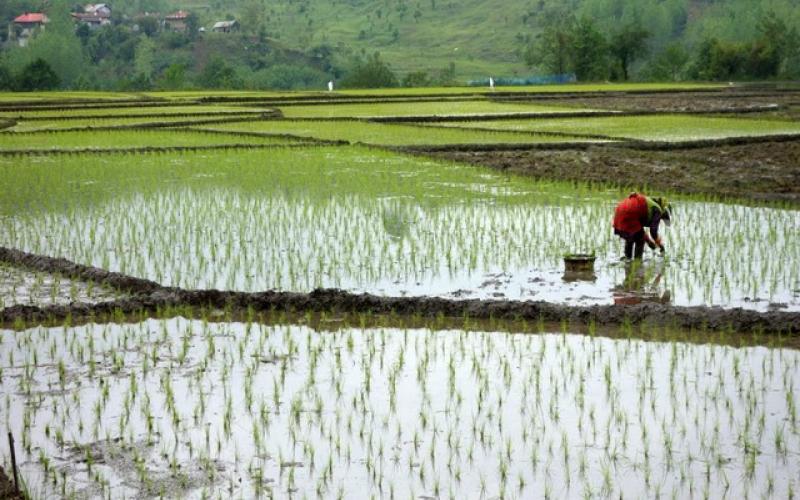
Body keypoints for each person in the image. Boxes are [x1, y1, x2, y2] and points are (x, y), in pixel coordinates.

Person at [612, 192, 672, 259]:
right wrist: (661, 245)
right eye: (662, 218)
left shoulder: (648, 204)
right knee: (640, 240)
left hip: (619, 211)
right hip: (629, 213)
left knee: (630, 238)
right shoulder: (657, 210)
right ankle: (638, 262)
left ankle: (628, 261)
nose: (660, 219)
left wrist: (649, 242)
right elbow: (653, 232)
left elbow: (639, 230)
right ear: (664, 211)